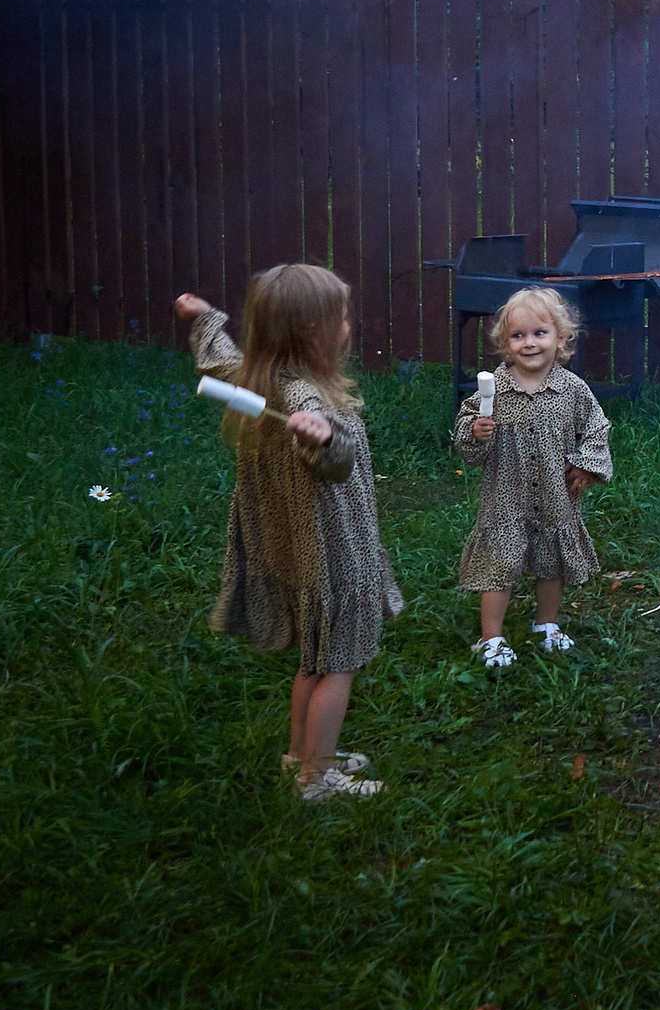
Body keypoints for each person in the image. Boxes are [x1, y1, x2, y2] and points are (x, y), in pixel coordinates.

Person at [177, 266, 403, 803]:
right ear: (313, 334)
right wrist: (323, 438)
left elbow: (217, 359)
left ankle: (301, 756)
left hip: (292, 550)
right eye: (340, 319)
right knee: (340, 665)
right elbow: (334, 464)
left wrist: (203, 317)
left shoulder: (256, 376)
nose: (348, 326)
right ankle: (318, 780)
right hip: (334, 553)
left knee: (314, 658)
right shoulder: (306, 397)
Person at [453, 286, 612, 667]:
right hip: (505, 493)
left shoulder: (572, 390)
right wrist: (476, 432)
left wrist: (587, 464)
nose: (529, 343)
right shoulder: (494, 389)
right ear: (505, 344)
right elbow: (466, 429)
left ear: (561, 338)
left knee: (551, 559)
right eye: (518, 336)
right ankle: (491, 637)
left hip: (556, 494)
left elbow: (596, 428)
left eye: (539, 333)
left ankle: (547, 624)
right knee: (501, 560)